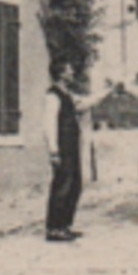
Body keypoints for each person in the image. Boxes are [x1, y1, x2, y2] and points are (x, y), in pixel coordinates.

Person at [43, 60, 84, 242]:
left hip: (72, 146)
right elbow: (49, 123)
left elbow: (85, 103)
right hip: (62, 146)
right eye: (69, 69)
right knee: (62, 185)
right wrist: (53, 150)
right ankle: (54, 228)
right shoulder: (53, 96)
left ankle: (65, 225)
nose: (72, 72)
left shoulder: (67, 95)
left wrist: (108, 91)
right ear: (61, 73)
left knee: (75, 184)